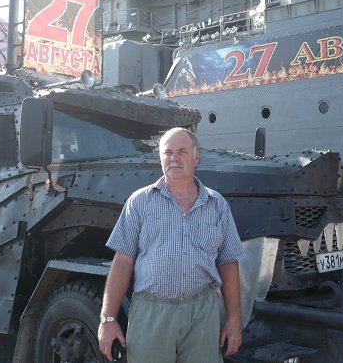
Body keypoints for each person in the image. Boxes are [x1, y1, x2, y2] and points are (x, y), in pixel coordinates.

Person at [98, 127, 245, 362]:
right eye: (167, 153)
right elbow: (123, 261)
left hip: (202, 315)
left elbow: (228, 263)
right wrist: (108, 319)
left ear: (196, 158)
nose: (174, 158)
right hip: (151, 314)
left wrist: (234, 319)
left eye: (182, 152)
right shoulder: (140, 202)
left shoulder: (217, 205)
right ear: (160, 159)